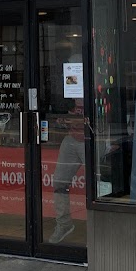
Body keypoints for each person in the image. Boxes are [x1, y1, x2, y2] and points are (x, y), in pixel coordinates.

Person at [49, 102, 86, 244]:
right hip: (71, 138)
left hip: (90, 138)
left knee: (96, 184)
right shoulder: (67, 97)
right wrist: (63, 120)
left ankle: (98, 229)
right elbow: (60, 118)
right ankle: (64, 224)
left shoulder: (93, 89)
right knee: (59, 182)